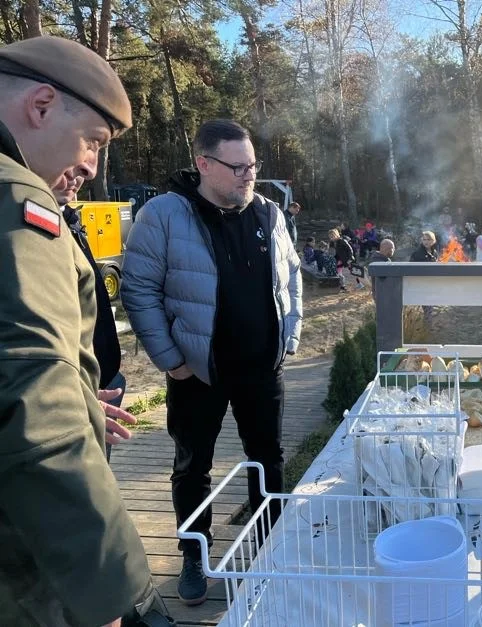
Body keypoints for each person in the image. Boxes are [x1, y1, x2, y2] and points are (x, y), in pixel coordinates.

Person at [0, 35, 169, 627]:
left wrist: (68, 388)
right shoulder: (18, 201)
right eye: (93, 142)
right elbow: (34, 408)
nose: (93, 167)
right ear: (41, 106)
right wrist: (109, 589)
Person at [121, 119, 302, 607]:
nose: (249, 175)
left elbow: (292, 275)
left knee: (268, 461)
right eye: (237, 166)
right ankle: (194, 554)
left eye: (253, 166)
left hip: (263, 369)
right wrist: (170, 360)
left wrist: (291, 335)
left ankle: (269, 552)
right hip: (196, 371)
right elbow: (138, 290)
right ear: (204, 164)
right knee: (192, 465)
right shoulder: (162, 215)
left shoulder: (268, 212)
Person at [55, 174, 127, 462]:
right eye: (86, 142)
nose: (86, 170)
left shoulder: (67, 217)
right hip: (67, 397)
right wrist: (70, 393)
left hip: (102, 381)